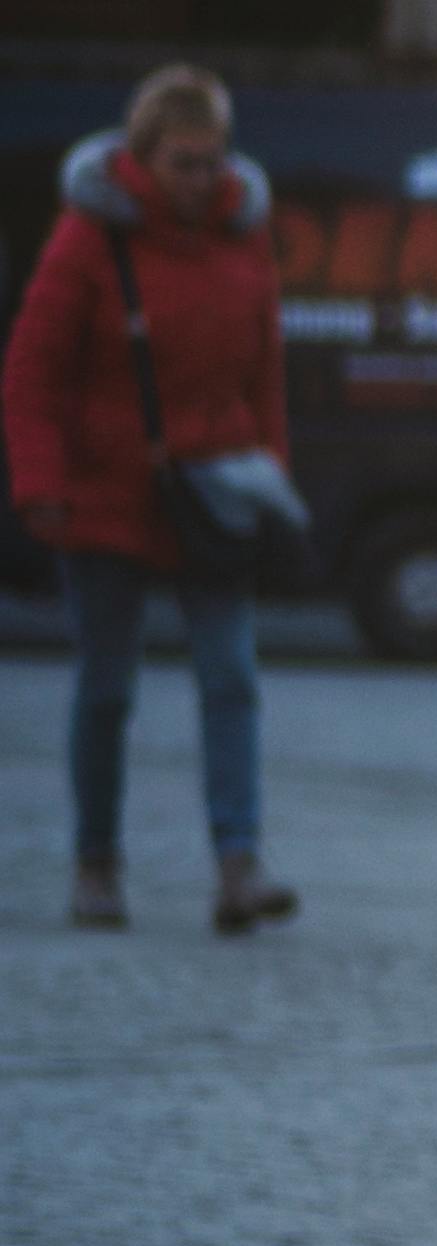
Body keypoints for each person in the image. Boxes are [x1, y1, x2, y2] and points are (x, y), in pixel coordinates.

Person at [7, 65, 303, 937]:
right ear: (143, 158)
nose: (199, 178)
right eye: (182, 161)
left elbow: (265, 377)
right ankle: (96, 865)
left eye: (212, 160)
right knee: (105, 689)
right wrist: (41, 486)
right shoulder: (89, 239)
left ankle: (238, 865)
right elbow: (31, 373)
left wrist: (271, 477)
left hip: (213, 494)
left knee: (232, 679)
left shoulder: (243, 237)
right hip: (105, 499)